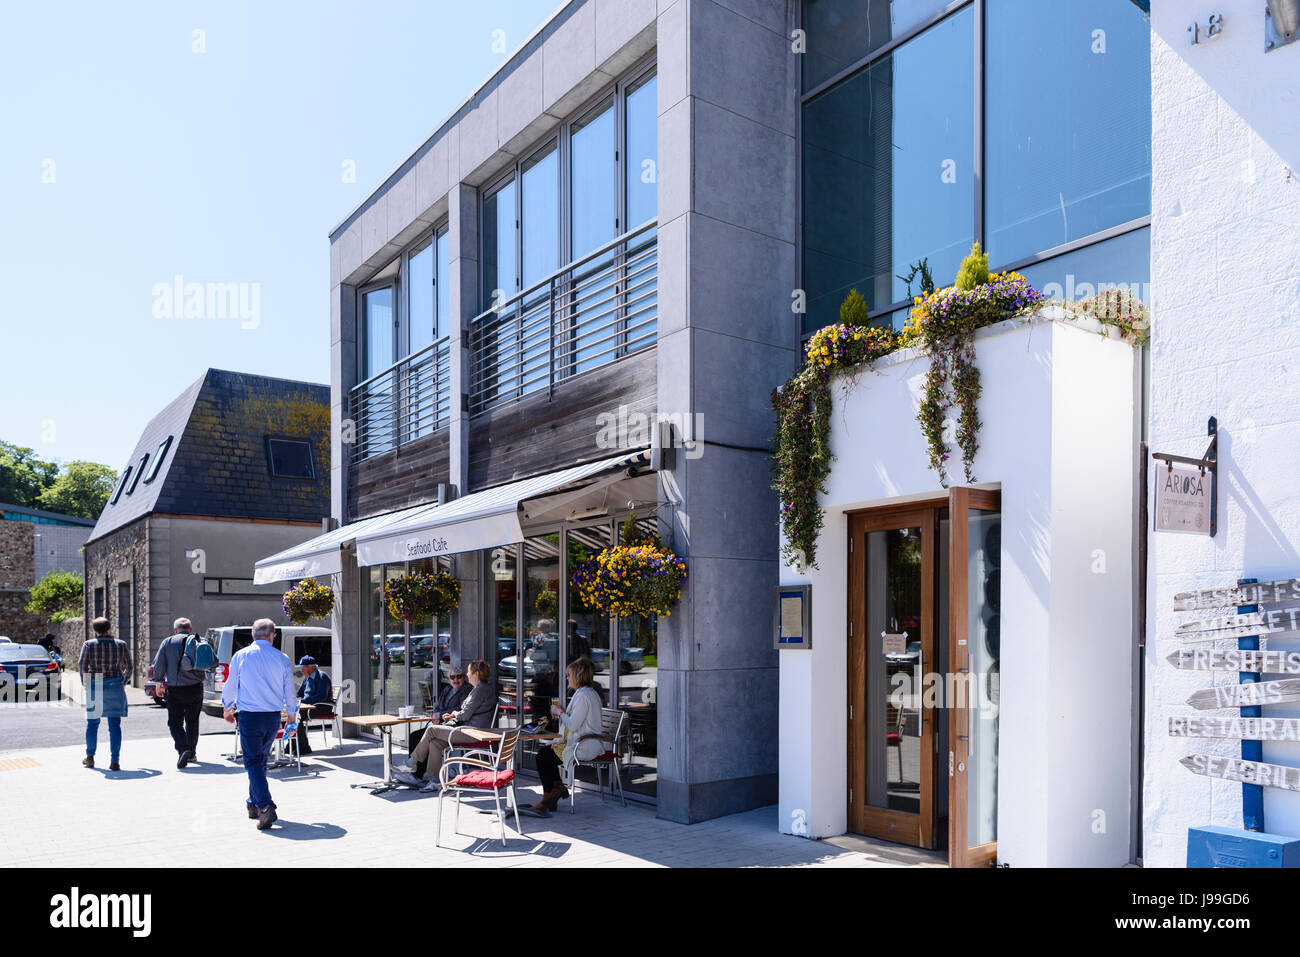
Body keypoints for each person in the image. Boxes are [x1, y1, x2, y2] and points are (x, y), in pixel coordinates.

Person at [221, 618, 298, 830]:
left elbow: (231, 685)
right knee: (260, 760)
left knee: (253, 762)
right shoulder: (281, 658)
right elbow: (289, 690)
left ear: (253, 635)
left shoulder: (241, 655)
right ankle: (252, 804)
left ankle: (265, 806)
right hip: (273, 717)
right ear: (272, 636)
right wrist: (291, 717)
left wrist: (227, 707)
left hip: (250, 716)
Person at [393, 659, 494, 792]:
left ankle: (411, 763)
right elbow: (465, 711)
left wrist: (453, 715)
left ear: (476, 674)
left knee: (431, 730)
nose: (467, 675)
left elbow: (465, 715)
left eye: (468, 673)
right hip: (466, 729)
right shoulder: (478, 689)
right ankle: (433, 780)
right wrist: (453, 714)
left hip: (472, 732)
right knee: (435, 743)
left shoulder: (481, 690)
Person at [532, 656, 604, 812]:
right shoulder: (584, 693)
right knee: (544, 755)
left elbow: (573, 724)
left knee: (543, 757)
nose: (567, 678)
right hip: (580, 740)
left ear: (577, 676)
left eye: (569, 675)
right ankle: (555, 792)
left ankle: (549, 796)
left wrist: (559, 712)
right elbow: (575, 720)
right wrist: (563, 713)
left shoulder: (584, 695)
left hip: (584, 744)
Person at [393, 665, 472, 775]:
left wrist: (440, 715)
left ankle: (416, 772)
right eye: (452, 677)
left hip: (454, 726)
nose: (455, 680)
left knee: (424, 737)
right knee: (414, 736)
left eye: (458, 677)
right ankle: (415, 773)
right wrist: (436, 714)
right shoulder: (447, 689)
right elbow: (438, 705)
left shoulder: (467, 690)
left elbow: (460, 708)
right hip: (441, 724)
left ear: (464, 677)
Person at [151, 617, 206, 768]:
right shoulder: (198, 640)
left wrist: (158, 682)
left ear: (175, 630)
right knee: (192, 721)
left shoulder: (168, 642)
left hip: (176, 689)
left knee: (175, 722)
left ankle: (183, 749)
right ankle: (192, 753)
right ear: (190, 629)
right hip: (196, 687)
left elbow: (159, 664)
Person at [78, 617, 131, 772]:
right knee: (114, 725)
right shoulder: (121, 645)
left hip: (95, 684)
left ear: (95, 630)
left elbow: (82, 665)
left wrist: (86, 684)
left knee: (92, 724)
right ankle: (115, 761)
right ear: (109, 629)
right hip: (115, 684)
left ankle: (90, 757)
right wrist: (124, 681)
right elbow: (130, 666)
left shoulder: (88, 644)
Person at [294, 655, 333, 755]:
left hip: (322, 707)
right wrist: (293, 699)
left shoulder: (322, 676)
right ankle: (293, 745)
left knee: (297, 716)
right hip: (309, 706)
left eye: (303, 667)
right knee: (288, 715)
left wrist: (303, 701)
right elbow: (299, 693)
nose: (301, 670)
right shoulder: (307, 678)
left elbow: (321, 696)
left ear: (311, 666)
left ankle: (303, 748)